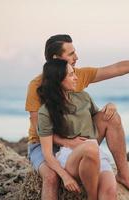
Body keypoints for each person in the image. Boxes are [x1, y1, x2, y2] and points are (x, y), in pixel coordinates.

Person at [26, 34, 129, 200]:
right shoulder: (36, 86)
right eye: (71, 54)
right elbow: (39, 129)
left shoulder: (77, 75)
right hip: (46, 144)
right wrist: (69, 143)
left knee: (111, 117)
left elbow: (117, 69)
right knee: (51, 177)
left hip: (80, 139)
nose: (76, 57)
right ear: (56, 58)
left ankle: (124, 176)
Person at [37, 59, 116, 200]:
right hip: (69, 158)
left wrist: (110, 106)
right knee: (91, 147)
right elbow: (47, 154)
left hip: (94, 155)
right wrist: (65, 177)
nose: (76, 78)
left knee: (110, 191)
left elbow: (98, 118)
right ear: (58, 79)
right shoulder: (46, 111)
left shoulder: (84, 97)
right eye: (71, 75)